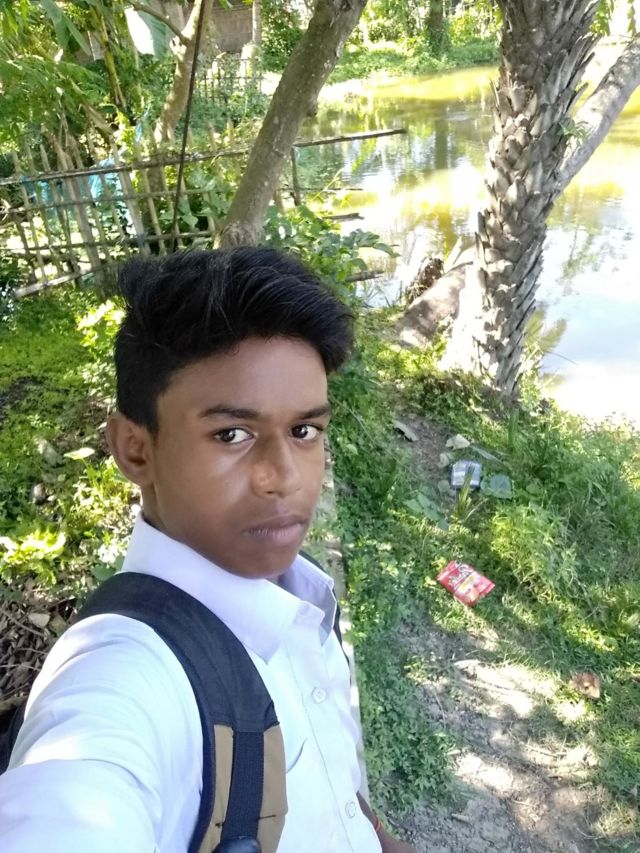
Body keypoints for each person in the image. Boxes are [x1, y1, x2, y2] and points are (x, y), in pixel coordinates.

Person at [0, 248, 416, 853]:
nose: (284, 477)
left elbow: (335, 786)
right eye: (232, 434)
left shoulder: (302, 595)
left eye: (304, 431)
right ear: (135, 449)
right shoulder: (121, 679)